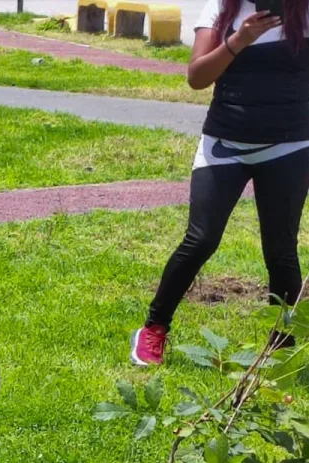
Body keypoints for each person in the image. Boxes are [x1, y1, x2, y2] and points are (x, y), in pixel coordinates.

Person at [131, 0, 309, 366]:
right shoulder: (222, 9)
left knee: (281, 251)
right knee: (201, 239)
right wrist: (239, 40)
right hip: (225, 144)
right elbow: (197, 77)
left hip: (290, 146)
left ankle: (281, 348)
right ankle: (154, 328)